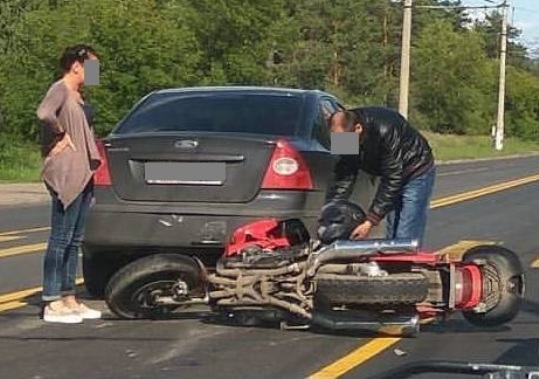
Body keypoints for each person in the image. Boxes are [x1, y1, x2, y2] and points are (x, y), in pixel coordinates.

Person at [36, 44, 103, 324]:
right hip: (67, 171)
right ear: (76, 65)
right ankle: (52, 301)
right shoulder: (60, 88)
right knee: (60, 238)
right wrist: (60, 135)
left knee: (75, 239)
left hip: (84, 171)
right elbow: (44, 113)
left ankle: (69, 297)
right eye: (92, 65)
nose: (94, 72)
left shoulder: (79, 94)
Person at [325, 106, 436, 247]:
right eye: (337, 140)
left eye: (344, 140)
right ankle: (393, 265)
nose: (342, 144)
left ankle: (405, 265)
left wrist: (369, 222)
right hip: (391, 173)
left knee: (404, 234)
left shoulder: (386, 129)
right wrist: (331, 209)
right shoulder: (347, 131)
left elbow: (393, 178)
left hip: (416, 169)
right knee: (391, 237)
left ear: (358, 128)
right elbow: (344, 174)